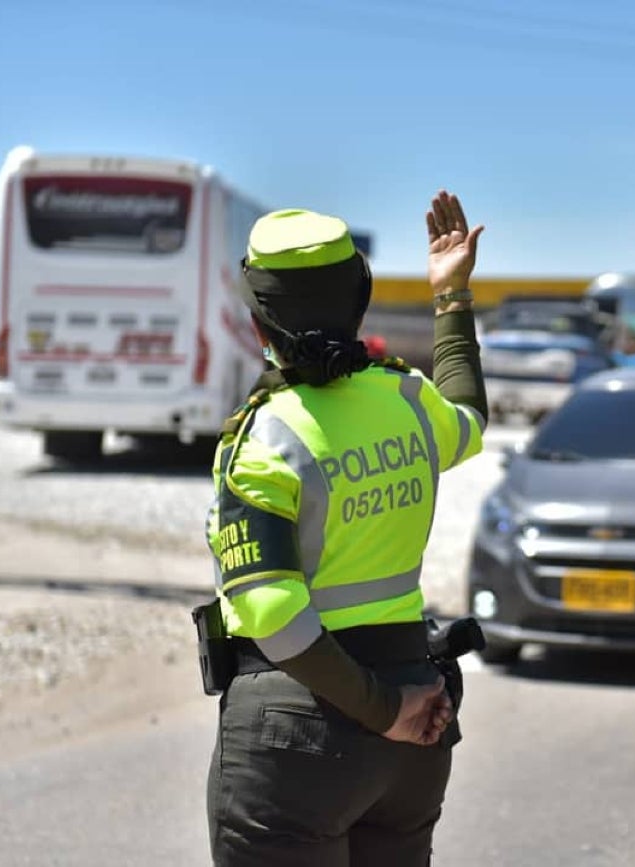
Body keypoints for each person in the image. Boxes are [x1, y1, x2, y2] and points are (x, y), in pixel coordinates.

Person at [204, 190, 489, 866]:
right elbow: (470, 417)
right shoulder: (408, 401)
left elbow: (273, 614)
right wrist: (450, 296)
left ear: (258, 322)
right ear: (358, 299)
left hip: (303, 733)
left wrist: (383, 708)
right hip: (415, 729)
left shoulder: (266, 436)